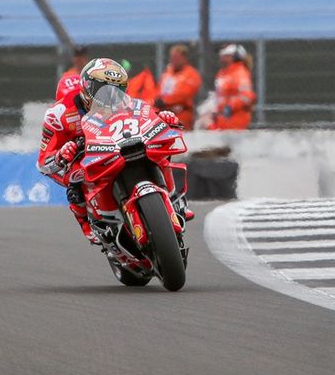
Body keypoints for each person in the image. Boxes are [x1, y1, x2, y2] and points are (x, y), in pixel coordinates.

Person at [36, 57, 185, 242]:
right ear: (87, 88)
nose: (110, 96)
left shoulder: (125, 102)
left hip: (115, 144)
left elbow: (146, 115)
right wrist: (61, 155)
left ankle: (174, 199)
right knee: (76, 179)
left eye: (117, 89)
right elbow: (42, 163)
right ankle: (87, 224)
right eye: (102, 90)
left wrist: (163, 118)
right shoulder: (58, 115)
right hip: (80, 155)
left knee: (156, 149)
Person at [208, 43, 256, 131]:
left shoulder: (240, 73)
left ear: (233, 57)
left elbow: (246, 96)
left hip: (235, 120)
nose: (221, 57)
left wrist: (230, 107)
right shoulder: (222, 73)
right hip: (221, 119)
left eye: (225, 55)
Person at [156, 44, 202, 130]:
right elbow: (159, 89)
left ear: (184, 58)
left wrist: (165, 101)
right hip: (163, 114)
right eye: (172, 57)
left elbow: (184, 94)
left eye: (176, 58)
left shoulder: (191, 74)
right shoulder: (167, 73)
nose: (173, 60)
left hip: (182, 115)